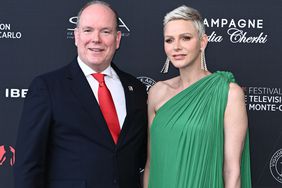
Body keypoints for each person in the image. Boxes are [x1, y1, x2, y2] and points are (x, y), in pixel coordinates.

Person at [14, 1, 147, 188]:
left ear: (117, 39)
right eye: (88, 30)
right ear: (76, 36)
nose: (96, 39)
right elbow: (28, 165)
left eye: (105, 31)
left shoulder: (137, 89)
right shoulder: (47, 87)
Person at [143, 5, 252, 188]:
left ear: (202, 42)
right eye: (169, 40)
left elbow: (232, 171)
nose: (176, 47)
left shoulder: (228, 93)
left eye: (185, 38)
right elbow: (151, 164)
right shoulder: (157, 92)